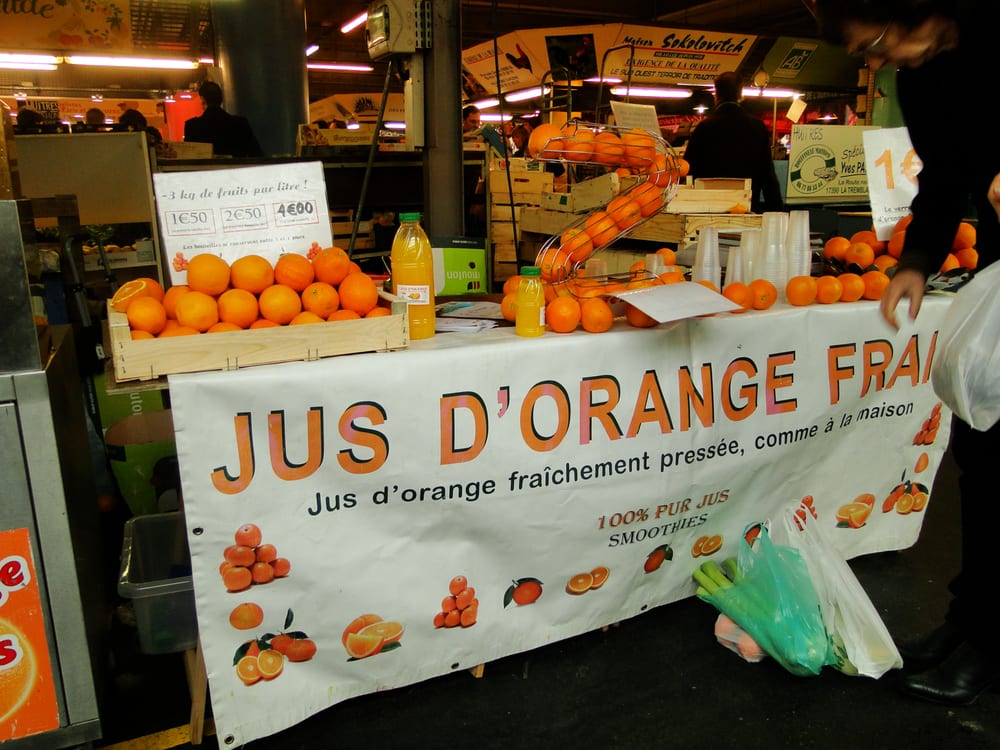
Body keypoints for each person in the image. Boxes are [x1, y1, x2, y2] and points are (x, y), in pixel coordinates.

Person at [815, 0, 1000, 707]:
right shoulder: (923, 80)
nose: (878, 61)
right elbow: (945, 175)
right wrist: (917, 261)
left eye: (878, 41)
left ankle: (990, 644)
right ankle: (971, 619)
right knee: (981, 450)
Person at [682, 71, 784, 213]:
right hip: (746, 209)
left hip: (709, 210)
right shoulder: (757, 127)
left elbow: (687, 170)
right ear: (740, 94)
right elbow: (767, 174)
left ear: (716, 95)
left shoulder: (704, 128)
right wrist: (777, 212)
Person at [184, 80, 263, 157]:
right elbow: (257, 155)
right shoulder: (240, 123)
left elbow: (188, 158)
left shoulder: (192, 126)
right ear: (221, 99)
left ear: (203, 100)